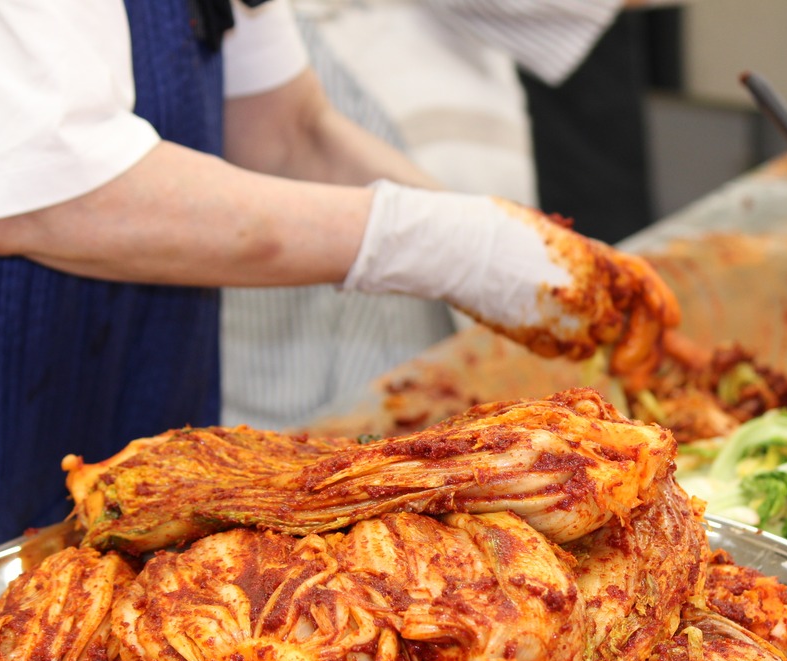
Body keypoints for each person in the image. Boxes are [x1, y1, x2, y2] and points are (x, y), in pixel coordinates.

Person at [0, 0, 678, 578]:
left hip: (140, 400)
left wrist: (513, 242)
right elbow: (45, 201)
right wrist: (447, 247)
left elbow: (286, 130)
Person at [220, 0, 634, 430]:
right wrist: (455, 243)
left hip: (422, 144)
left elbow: (293, 130)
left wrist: (482, 232)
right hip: (266, 326)